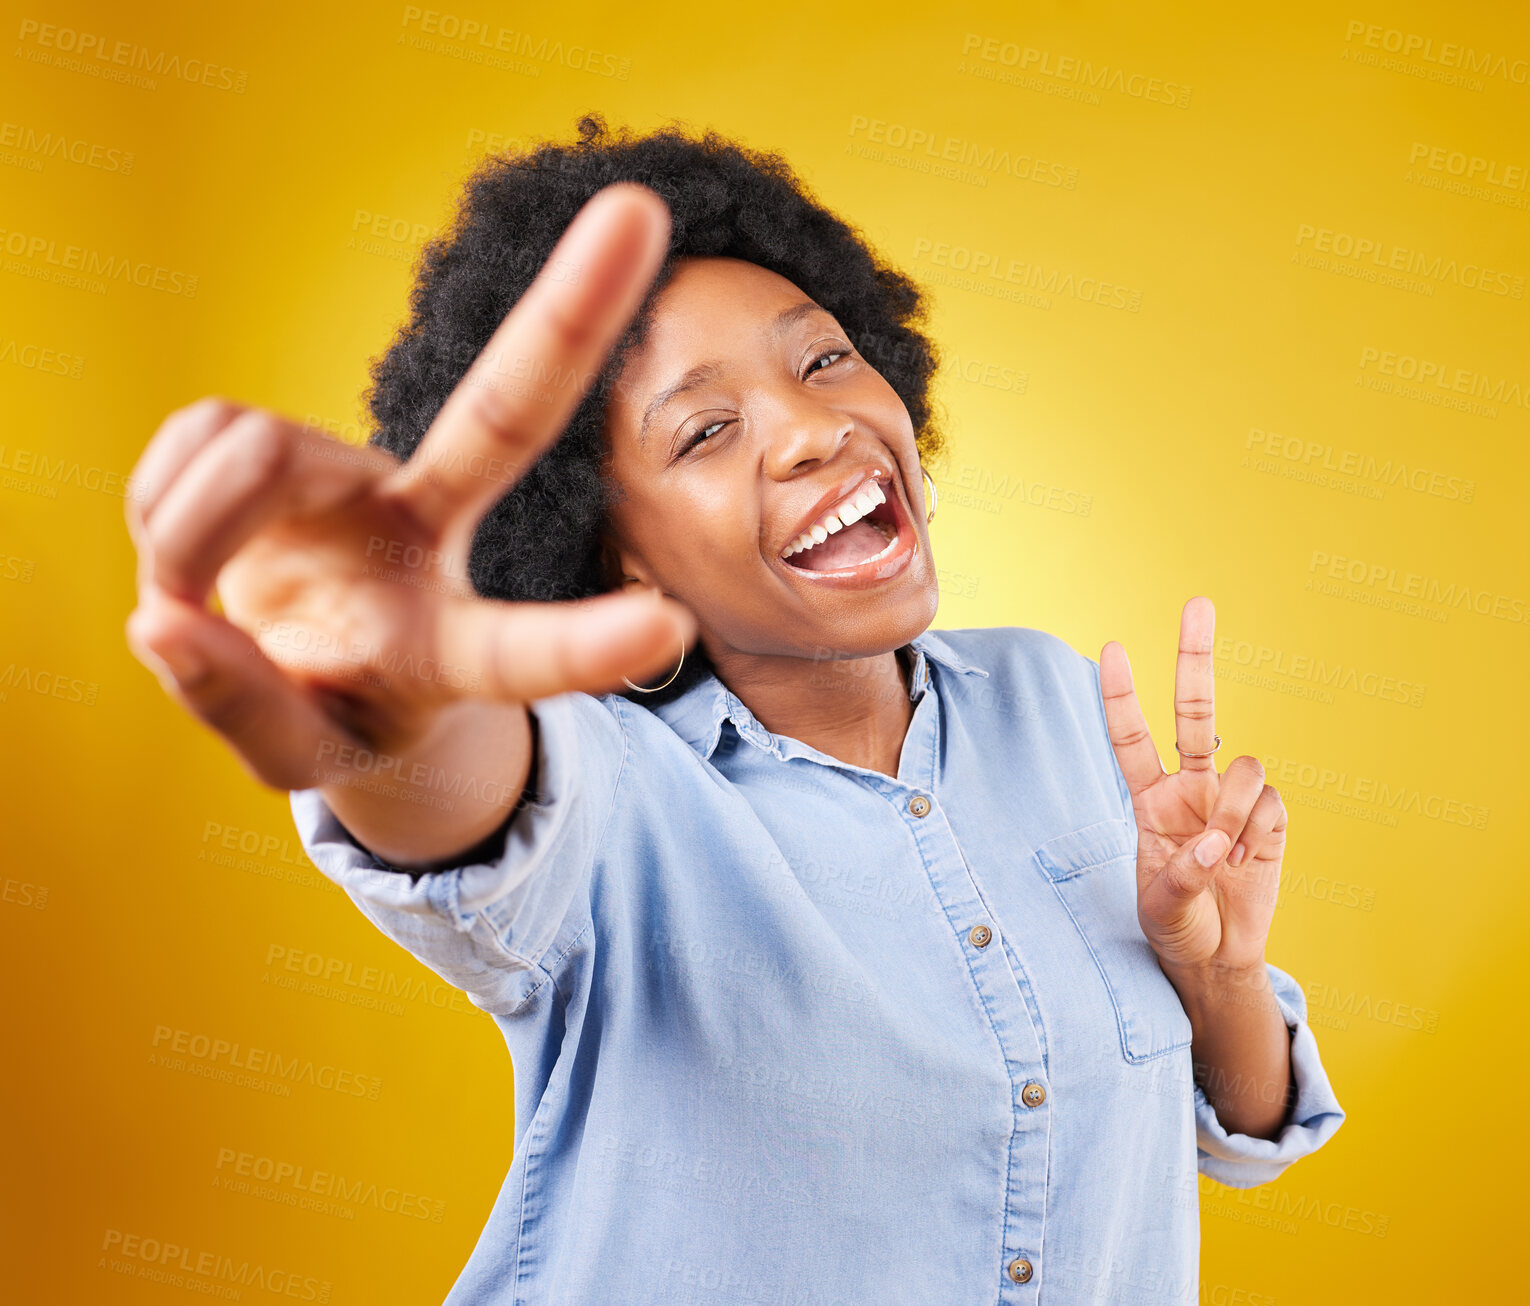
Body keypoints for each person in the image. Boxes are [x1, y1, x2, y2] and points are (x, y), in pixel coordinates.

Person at [125, 115, 1344, 1305]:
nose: (817, 429)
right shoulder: (613, 789)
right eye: (706, 430)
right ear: (621, 559)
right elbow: (460, 799)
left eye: (823, 359)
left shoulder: (1054, 699)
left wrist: (1218, 974)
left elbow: (1232, 1133)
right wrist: (398, 696)